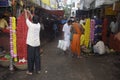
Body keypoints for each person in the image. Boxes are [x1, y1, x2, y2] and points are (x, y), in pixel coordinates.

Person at [24, 9, 41, 75]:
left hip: (31, 44)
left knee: (30, 57)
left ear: (33, 20)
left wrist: (26, 12)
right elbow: (32, 18)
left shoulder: (31, 25)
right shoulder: (38, 25)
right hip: (37, 44)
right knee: (37, 57)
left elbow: (26, 18)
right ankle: (38, 70)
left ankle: (30, 71)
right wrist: (29, 12)